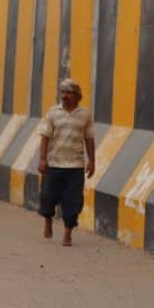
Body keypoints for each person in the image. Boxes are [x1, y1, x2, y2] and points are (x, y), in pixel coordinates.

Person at [36, 78, 96, 246]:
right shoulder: (53, 112)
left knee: (73, 201)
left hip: (75, 166)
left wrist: (92, 161)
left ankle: (67, 233)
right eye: (63, 92)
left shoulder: (85, 115)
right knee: (47, 197)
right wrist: (42, 159)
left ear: (77, 96)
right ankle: (48, 219)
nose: (65, 96)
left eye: (69, 92)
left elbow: (89, 139)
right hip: (53, 163)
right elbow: (45, 137)